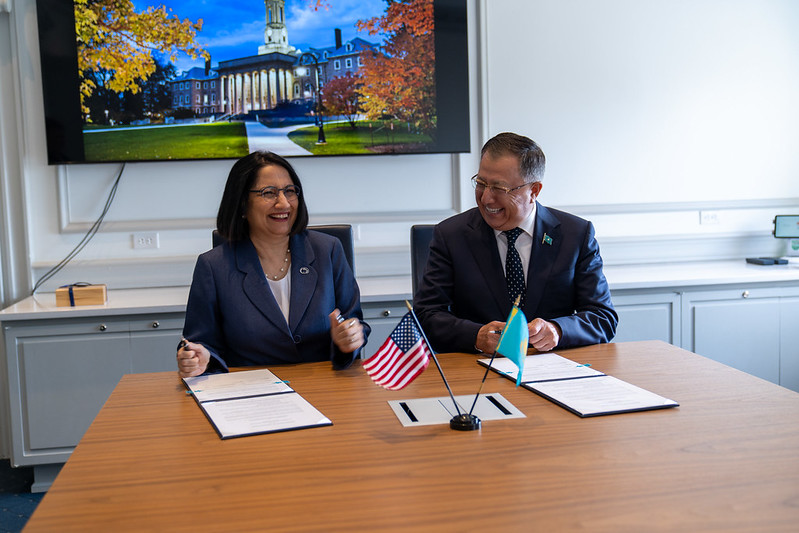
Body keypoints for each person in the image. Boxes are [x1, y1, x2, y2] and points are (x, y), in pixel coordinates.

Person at [414, 132, 617, 354]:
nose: (486, 198)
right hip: (476, 371)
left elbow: (602, 317)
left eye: (499, 189)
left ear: (534, 191)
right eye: (481, 183)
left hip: (554, 369)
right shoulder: (451, 235)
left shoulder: (575, 234)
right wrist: (475, 335)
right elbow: (427, 315)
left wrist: (558, 330)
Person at [177, 151, 369, 377]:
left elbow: (354, 321)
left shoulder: (328, 250)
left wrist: (351, 337)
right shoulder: (213, 266)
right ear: (241, 204)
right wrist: (199, 358)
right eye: (269, 193)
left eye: (290, 191)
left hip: (324, 386)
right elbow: (200, 343)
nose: (284, 203)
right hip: (251, 393)